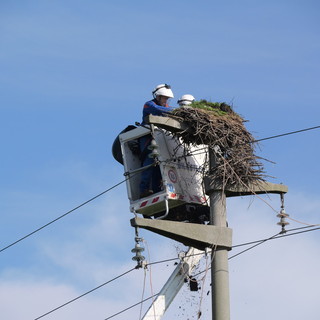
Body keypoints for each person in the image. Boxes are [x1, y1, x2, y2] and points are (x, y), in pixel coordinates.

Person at [139, 84, 175, 198]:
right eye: (164, 98)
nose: (166, 100)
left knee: (159, 169)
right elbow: (158, 110)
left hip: (160, 140)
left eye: (167, 98)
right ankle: (143, 189)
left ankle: (156, 190)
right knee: (149, 164)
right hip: (148, 141)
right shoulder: (149, 105)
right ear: (158, 96)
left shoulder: (167, 107)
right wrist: (177, 111)